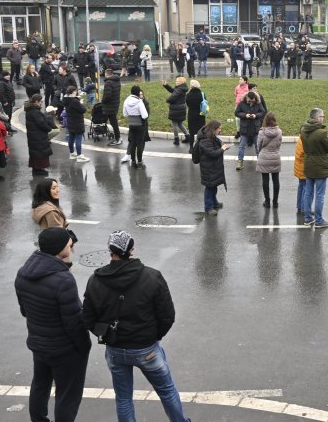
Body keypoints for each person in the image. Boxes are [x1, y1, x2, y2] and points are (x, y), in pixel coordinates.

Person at [82, 231, 191, 422]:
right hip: (146, 347)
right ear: (132, 250)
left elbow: (88, 318)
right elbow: (167, 316)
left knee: (123, 398)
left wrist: (106, 334)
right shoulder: (152, 276)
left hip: (115, 348)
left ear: (110, 251)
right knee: (166, 391)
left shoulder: (96, 280)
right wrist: (154, 336)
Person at [15, 227, 89, 422]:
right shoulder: (63, 280)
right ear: (58, 248)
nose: (71, 245)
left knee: (40, 384)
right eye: (67, 243)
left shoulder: (22, 274)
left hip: (38, 344)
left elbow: (24, 310)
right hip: (64, 349)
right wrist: (84, 346)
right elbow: (73, 322)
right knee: (67, 396)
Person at [300, 108, 328, 228]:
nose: (323, 118)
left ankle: (308, 218)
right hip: (320, 165)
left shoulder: (303, 130)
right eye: (322, 116)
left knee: (308, 192)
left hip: (308, 163)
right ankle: (319, 220)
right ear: (318, 118)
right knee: (320, 194)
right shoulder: (321, 133)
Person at [196, 120, 230, 215]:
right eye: (219, 128)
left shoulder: (212, 136)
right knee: (209, 188)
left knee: (214, 186)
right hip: (208, 168)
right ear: (214, 129)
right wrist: (222, 149)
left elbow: (217, 146)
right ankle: (208, 207)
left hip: (213, 167)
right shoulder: (205, 140)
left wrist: (223, 146)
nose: (220, 129)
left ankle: (214, 202)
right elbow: (212, 153)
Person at [23, 94, 55, 177]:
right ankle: (39, 169)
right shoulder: (35, 111)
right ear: (36, 102)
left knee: (35, 153)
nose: (41, 103)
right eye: (41, 102)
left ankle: (36, 168)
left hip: (34, 136)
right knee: (40, 153)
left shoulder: (30, 110)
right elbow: (41, 123)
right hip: (38, 136)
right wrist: (49, 128)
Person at [256, 112, 282, 208]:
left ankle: (267, 202)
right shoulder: (279, 131)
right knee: (276, 180)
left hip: (264, 157)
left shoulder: (261, 132)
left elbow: (258, 145)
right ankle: (275, 202)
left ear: (265, 120)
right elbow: (279, 144)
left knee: (265, 180)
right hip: (275, 157)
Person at [234, 91, 265, 171]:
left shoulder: (258, 103)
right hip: (245, 129)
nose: (250, 101)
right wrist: (245, 115)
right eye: (249, 100)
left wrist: (256, 115)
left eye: (252, 100)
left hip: (255, 129)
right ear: (246, 97)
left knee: (258, 146)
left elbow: (262, 112)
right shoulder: (241, 103)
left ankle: (260, 162)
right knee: (241, 146)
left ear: (255, 98)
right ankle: (240, 162)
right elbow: (236, 113)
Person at [122, 85, 149, 168]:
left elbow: (125, 114)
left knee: (132, 143)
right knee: (139, 144)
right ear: (138, 93)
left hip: (131, 124)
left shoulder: (126, 101)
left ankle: (133, 161)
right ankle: (140, 161)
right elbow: (145, 115)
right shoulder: (139, 101)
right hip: (140, 125)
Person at [61, 86, 89, 163]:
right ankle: (79, 156)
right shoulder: (74, 101)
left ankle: (72, 153)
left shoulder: (65, 99)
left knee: (71, 138)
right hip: (77, 122)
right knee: (78, 139)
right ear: (73, 91)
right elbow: (83, 110)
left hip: (70, 121)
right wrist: (81, 103)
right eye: (76, 91)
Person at [162, 77, 190, 146]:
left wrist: (167, 100)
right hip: (181, 108)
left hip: (176, 109)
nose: (176, 82)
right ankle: (188, 136)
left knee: (175, 124)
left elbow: (173, 96)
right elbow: (173, 90)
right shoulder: (181, 88)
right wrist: (166, 85)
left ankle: (176, 140)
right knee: (180, 123)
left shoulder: (179, 89)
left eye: (177, 81)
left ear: (181, 82)